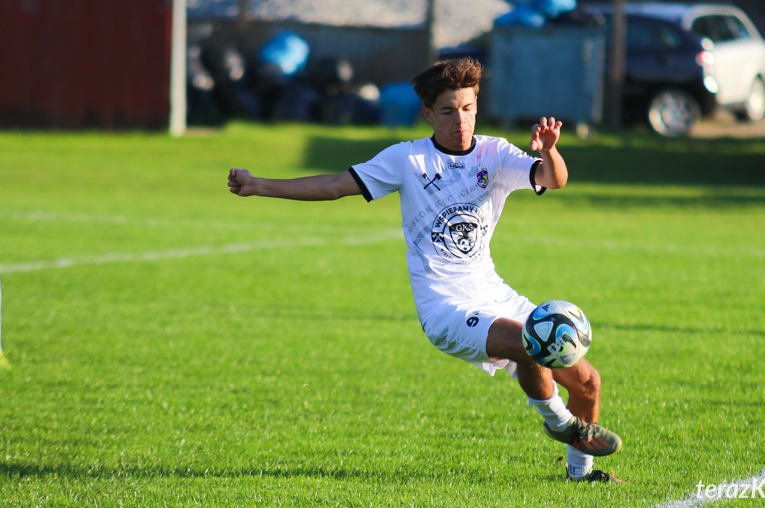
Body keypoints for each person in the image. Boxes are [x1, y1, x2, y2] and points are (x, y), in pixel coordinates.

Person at [227, 58, 623, 482]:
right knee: (529, 344)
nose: (461, 121)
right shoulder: (407, 159)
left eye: (468, 108)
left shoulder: (496, 152)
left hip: (493, 292)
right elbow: (333, 186)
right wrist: (259, 184)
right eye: (449, 111)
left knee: (587, 380)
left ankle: (581, 475)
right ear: (429, 114)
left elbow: (554, 179)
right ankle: (559, 422)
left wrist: (549, 149)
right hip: (445, 306)